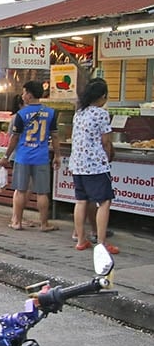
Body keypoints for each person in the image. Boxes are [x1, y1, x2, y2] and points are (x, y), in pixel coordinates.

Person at [0, 80, 60, 232]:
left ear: (30, 95)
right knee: (42, 192)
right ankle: (44, 224)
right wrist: (57, 155)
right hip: (42, 157)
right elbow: (56, 136)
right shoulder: (50, 113)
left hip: (23, 157)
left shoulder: (21, 115)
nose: (23, 95)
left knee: (20, 190)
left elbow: (14, 138)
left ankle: (17, 222)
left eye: (24, 92)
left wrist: (6, 156)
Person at [69, 78, 119, 254]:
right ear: (103, 96)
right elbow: (106, 142)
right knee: (104, 201)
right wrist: (109, 155)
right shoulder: (101, 113)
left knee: (81, 200)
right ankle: (101, 242)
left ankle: (81, 240)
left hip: (77, 163)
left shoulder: (79, 113)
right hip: (96, 165)